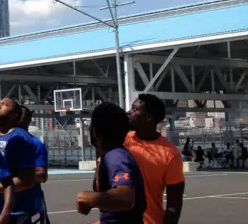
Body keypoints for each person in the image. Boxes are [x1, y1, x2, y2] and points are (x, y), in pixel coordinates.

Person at [76, 102, 146, 224]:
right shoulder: (110, 155)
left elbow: (125, 198)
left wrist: (86, 197)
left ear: (95, 132)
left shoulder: (115, 157)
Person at [125, 94, 185, 224]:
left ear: (149, 118)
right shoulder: (121, 140)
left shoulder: (170, 154)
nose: (129, 112)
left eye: (135, 110)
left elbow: (173, 205)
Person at [0, 98, 38, 224]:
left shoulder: (21, 138)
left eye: (4, 104)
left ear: (14, 115)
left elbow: (26, 180)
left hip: (15, 213)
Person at [18, 105, 49, 224]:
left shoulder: (35, 143)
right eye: (17, 114)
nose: (20, 118)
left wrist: (14, 176)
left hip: (25, 208)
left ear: (28, 120)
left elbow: (42, 175)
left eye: (23, 116)